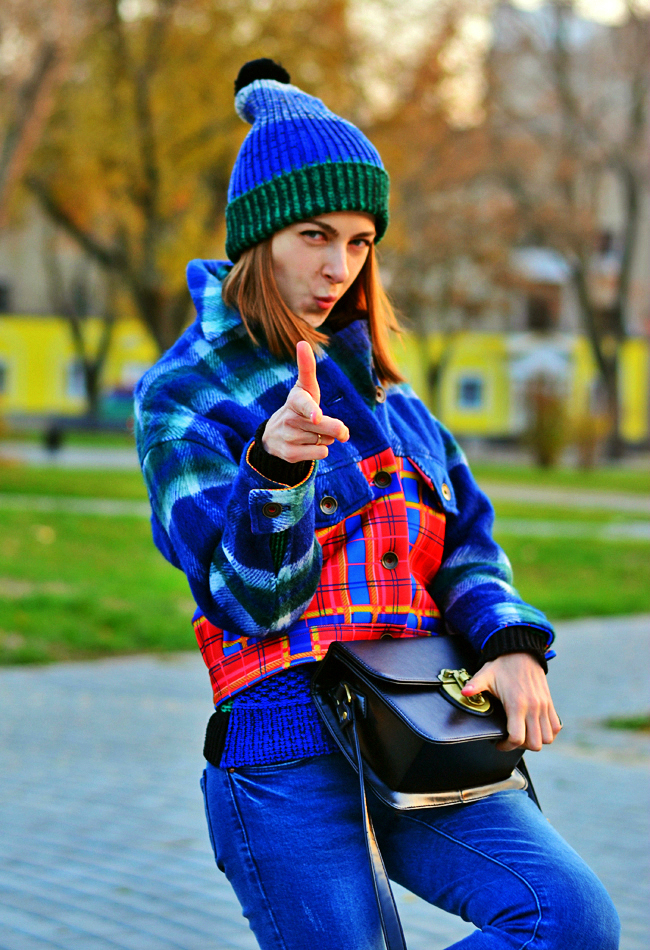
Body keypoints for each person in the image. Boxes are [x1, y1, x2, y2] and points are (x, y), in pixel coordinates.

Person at [134, 59, 619, 950]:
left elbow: (470, 545)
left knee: (570, 918)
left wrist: (511, 644)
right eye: (315, 235)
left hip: (422, 724)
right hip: (282, 743)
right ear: (260, 236)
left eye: (360, 243)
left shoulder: (397, 401)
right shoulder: (185, 394)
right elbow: (249, 603)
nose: (338, 267)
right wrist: (277, 471)